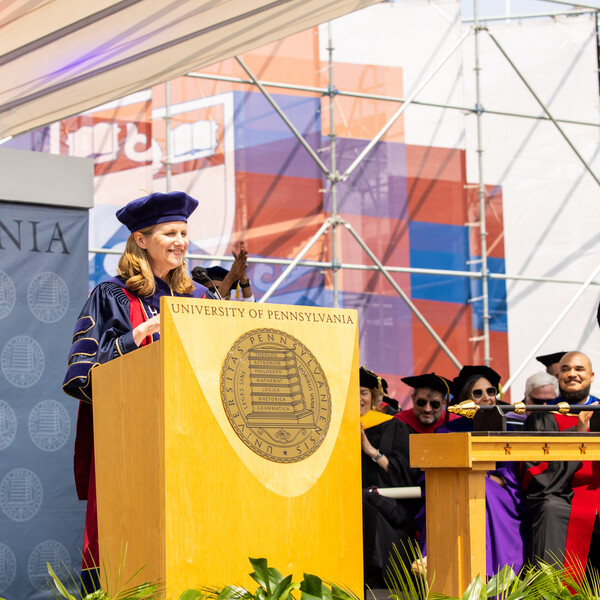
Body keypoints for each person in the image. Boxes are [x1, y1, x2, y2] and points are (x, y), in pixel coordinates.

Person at [62, 191, 215, 591]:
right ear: (141, 240)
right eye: (169, 232)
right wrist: (132, 339)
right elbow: (82, 376)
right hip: (134, 442)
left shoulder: (201, 297)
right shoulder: (112, 296)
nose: (180, 240)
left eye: (184, 232)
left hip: (197, 438)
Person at [418, 366, 527, 577]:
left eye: (491, 392)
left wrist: (478, 478)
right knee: (461, 493)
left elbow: (510, 476)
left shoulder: (507, 430)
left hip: (498, 493)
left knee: (479, 488)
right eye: (478, 393)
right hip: (452, 492)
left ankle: (489, 573)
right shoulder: (446, 431)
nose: (486, 398)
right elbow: (432, 475)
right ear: (465, 400)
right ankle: (442, 567)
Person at [522, 351, 599, 576]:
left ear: (592, 376)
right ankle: (551, 591)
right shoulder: (542, 416)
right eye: (566, 369)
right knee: (550, 509)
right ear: (558, 376)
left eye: (579, 369)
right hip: (562, 496)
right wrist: (577, 433)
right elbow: (536, 475)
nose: (572, 374)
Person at [359, 366, 421, 588]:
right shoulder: (331, 429)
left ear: (374, 397)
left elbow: (407, 475)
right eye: (352, 393)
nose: (358, 399)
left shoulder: (394, 427)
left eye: (363, 392)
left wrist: (370, 450)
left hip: (387, 507)